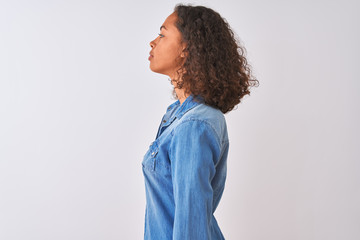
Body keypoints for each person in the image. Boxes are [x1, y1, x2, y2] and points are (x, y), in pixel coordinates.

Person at [142, 4, 258, 240]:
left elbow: (190, 227)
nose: (153, 42)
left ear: (186, 48)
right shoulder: (179, 115)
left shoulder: (193, 124)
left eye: (163, 34)